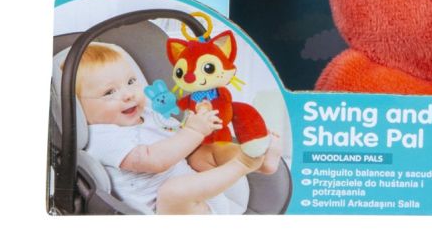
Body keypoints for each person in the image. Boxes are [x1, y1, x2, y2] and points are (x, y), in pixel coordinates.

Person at [75, 42, 281, 214]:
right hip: (169, 210)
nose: (128, 94)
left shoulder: (147, 114)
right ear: (78, 106)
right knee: (172, 191)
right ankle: (244, 163)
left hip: (201, 190)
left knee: (208, 150)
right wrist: (193, 132)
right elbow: (152, 160)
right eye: (109, 92)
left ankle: (258, 159)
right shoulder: (101, 136)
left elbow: (177, 136)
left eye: (131, 81)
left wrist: (199, 119)